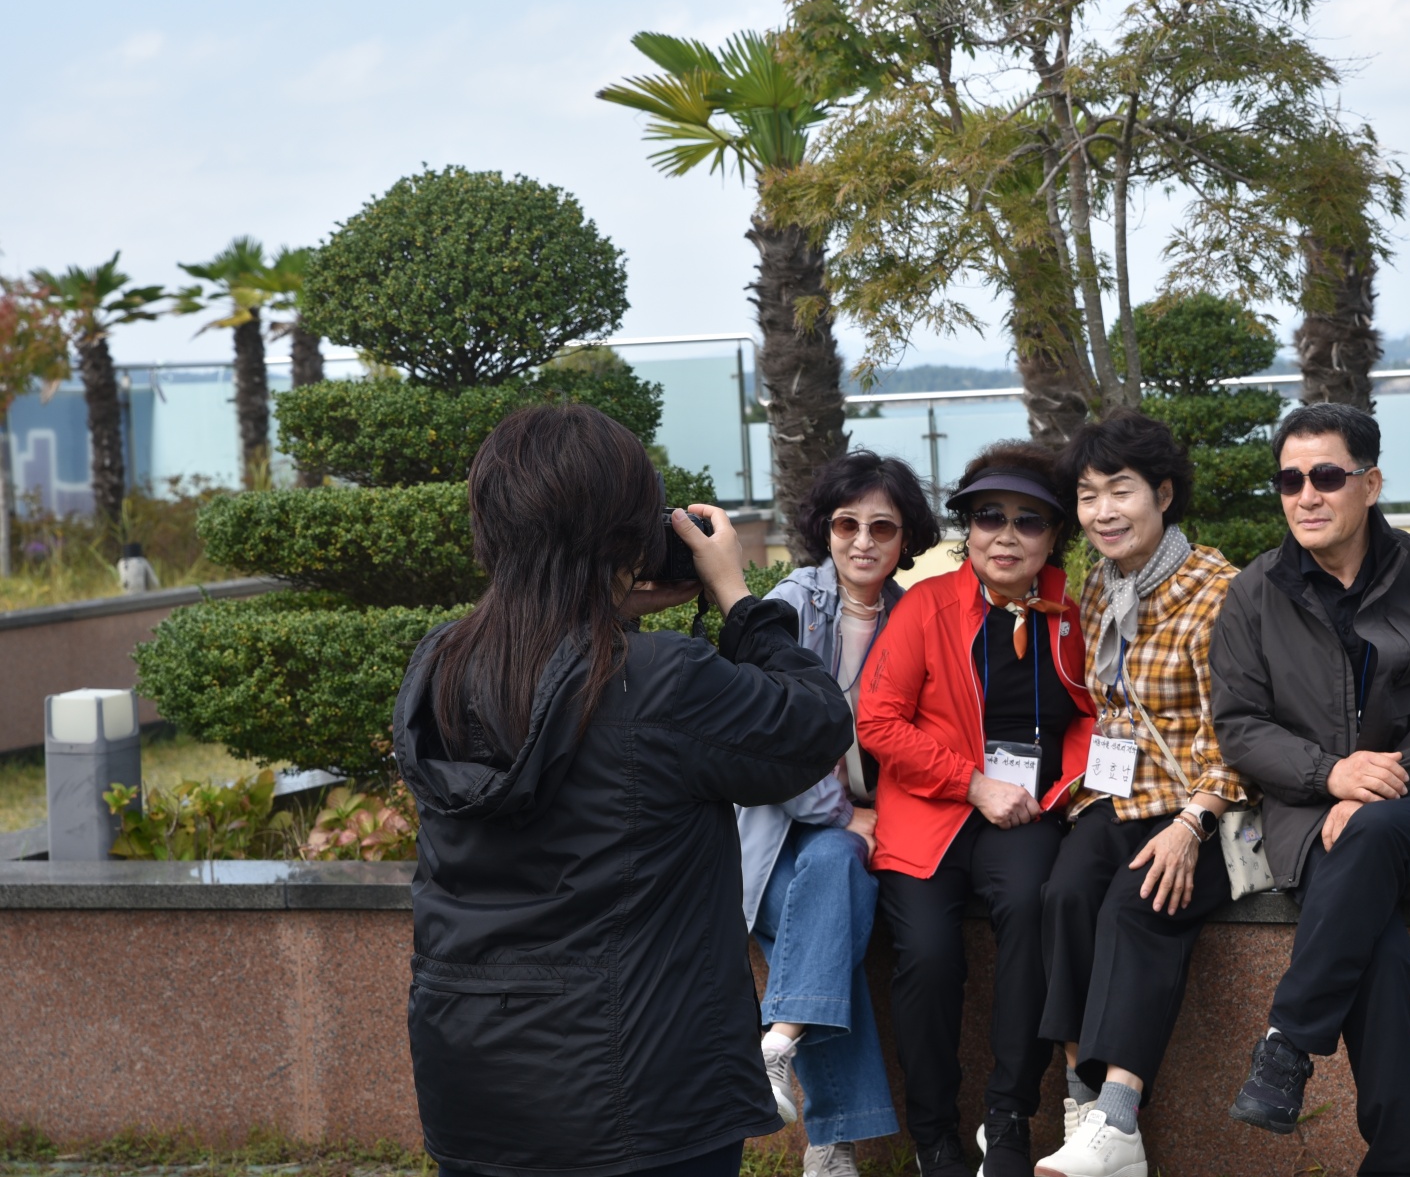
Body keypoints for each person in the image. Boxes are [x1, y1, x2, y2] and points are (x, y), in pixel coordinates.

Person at [394, 403, 852, 1177]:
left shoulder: (440, 664)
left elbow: (561, 678)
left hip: (470, 1083)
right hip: (640, 1096)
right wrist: (739, 598)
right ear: (626, 537)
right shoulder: (661, 680)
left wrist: (599, 606)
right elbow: (812, 722)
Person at [1211, 402, 1410, 1177]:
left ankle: (1287, 1041)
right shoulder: (1253, 593)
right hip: (1313, 822)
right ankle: (1401, 1160)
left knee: (1369, 832)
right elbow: (1240, 726)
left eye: (1327, 476)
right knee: (1377, 952)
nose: (1306, 495)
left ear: (1369, 484)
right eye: (1290, 480)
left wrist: (1376, 783)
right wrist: (1329, 774)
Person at [856, 442, 1096, 1177]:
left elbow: (1095, 713)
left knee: (1032, 907)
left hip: (1024, 813)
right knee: (929, 956)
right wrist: (971, 783)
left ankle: (1008, 1116)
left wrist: (1067, 787)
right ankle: (934, 1137)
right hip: (932, 811)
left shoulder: (1069, 613)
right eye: (989, 516)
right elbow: (878, 721)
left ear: (1055, 536)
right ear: (969, 528)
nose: (1006, 535)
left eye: (1029, 520)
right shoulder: (927, 607)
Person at [1033, 410, 1249, 1177]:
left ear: (1163, 493)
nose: (1103, 511)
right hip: (1119, 796)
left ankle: (1119, 1119)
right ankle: (1082, 1102)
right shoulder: (1101, 585)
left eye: (1119, 490)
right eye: (1088, 495)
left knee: (1138, 902)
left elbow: (1241, 731)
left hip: (1205, 806)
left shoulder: (1219, 592)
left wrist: (1193, 823)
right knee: (1062, 895)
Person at [745, 452, 940, 1177]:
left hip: (857, 831)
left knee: (835, 879)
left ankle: (778, 1044)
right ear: (823, 529)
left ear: (905, 537)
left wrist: (864, 817)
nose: (862, 541)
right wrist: (841, 812)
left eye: (882, 527)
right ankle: (830, 1143)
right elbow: (768, 741)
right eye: (845, 524)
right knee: (831, 910)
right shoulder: (791, 605)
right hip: (772, 830)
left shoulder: (912, 616)